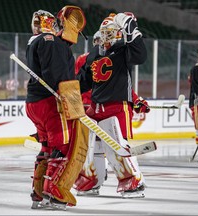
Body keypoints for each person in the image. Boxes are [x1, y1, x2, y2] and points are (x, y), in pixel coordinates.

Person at [76, 12, 150, 198]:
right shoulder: (94, 53)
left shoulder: (124, 49)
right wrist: (65, 88)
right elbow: (83, 81)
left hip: (117, 106)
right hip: (95, 107)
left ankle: (132, 180)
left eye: (111, 32)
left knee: (116, 146)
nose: (106, 36)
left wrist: (132, 29)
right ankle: (91, 180)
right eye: (104, 32)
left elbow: (141, 56)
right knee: (92, 149)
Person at [25, 7, 88, 209]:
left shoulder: (35, 41)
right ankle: (54, 192)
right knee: (62, 146)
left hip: (34, 102)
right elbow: (59, 75)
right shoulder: (50, 42)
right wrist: (73, 103)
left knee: (46, 147)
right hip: (50, 103)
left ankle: (38, 193)